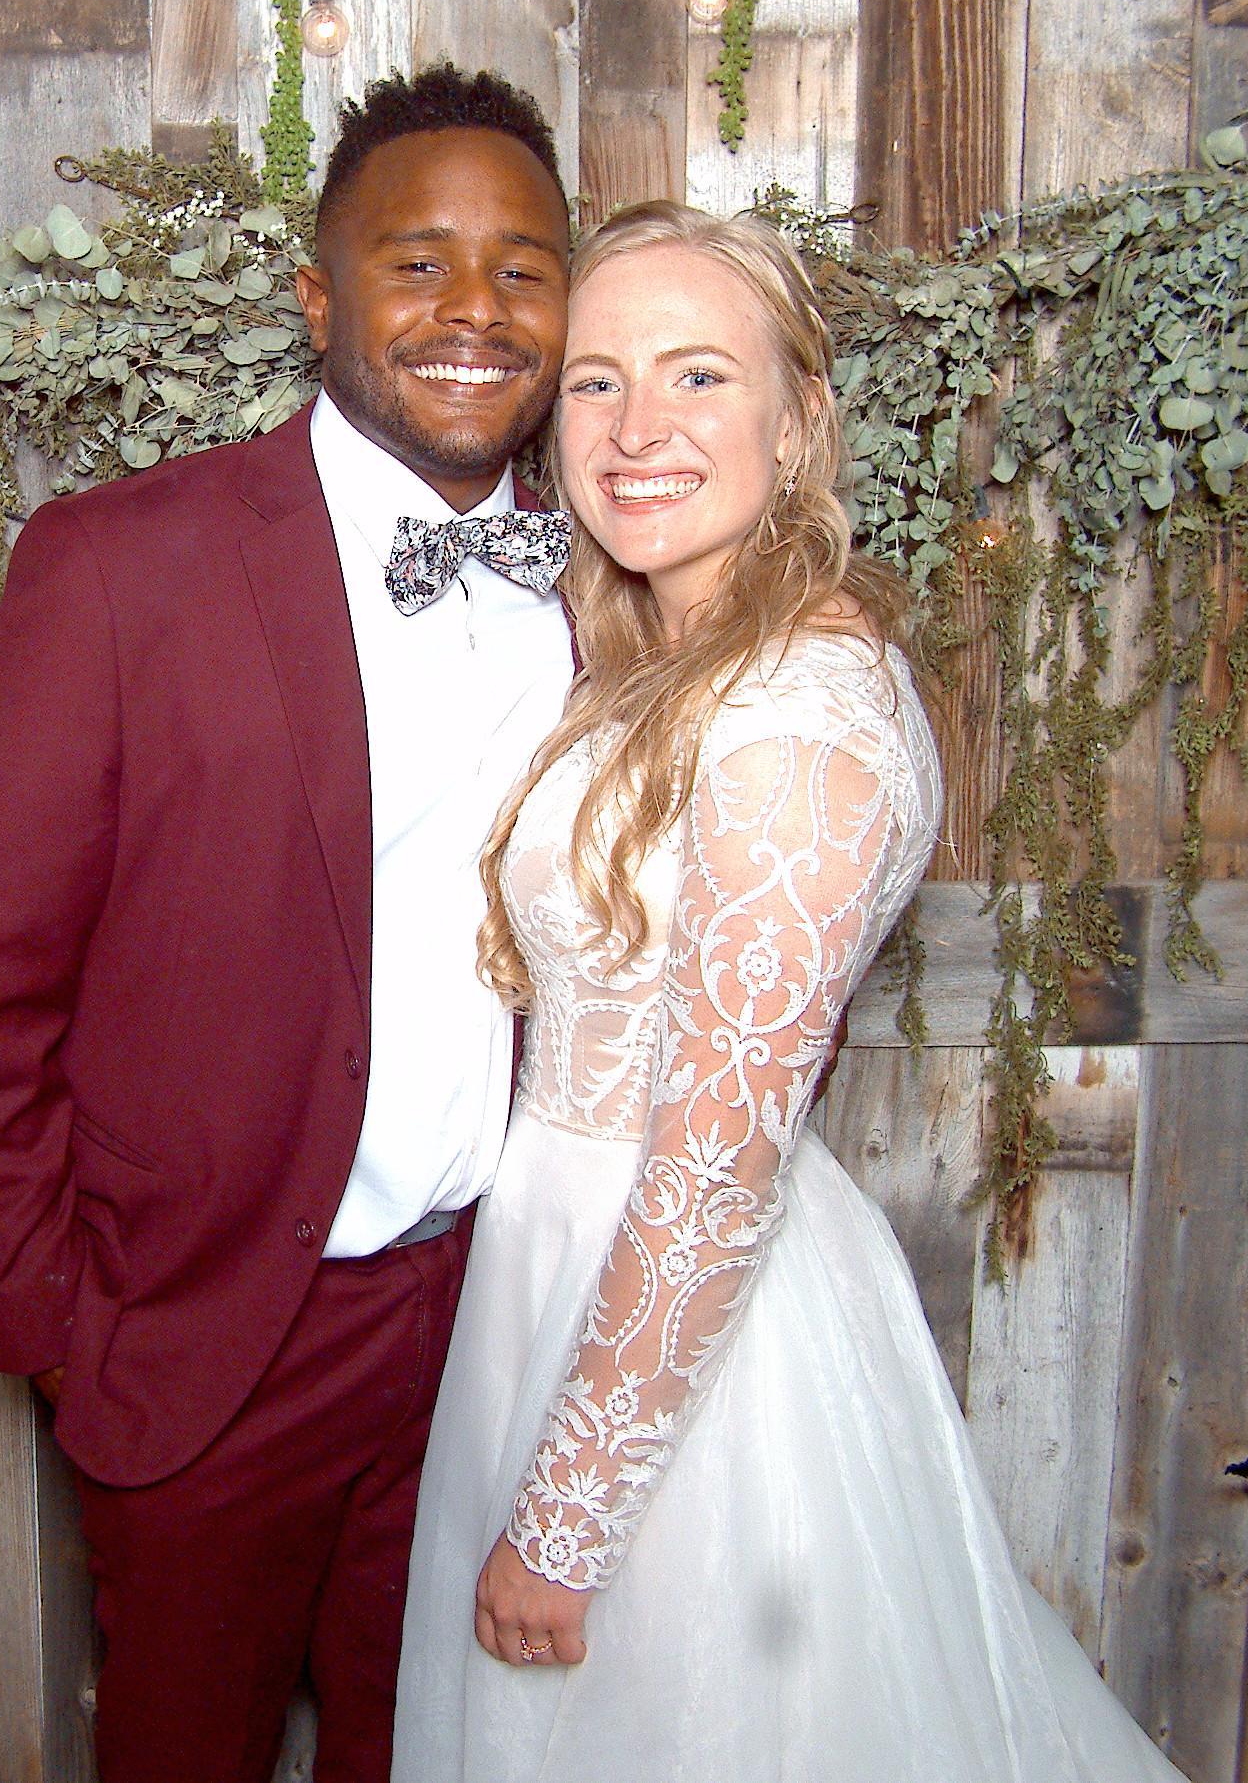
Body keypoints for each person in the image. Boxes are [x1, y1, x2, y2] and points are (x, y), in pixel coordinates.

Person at [393, 203, 1189, 1782]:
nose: (637, 428)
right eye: (599, 381)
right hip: (558, 1272)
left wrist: (567, 1518)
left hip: (695, 1346)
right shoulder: (660, 662)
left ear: (801, 418)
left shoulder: (803, 711)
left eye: (699, 375)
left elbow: (715, 1158)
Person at [0, 65, 580, 1783]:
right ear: (319, 298)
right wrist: (63, 1325)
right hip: (212, 1339)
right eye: (417, 263)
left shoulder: (596, 587)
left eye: (523, 268)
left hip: (489, 1326)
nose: (475, 310)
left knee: (445, 1755)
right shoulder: (126, 566)